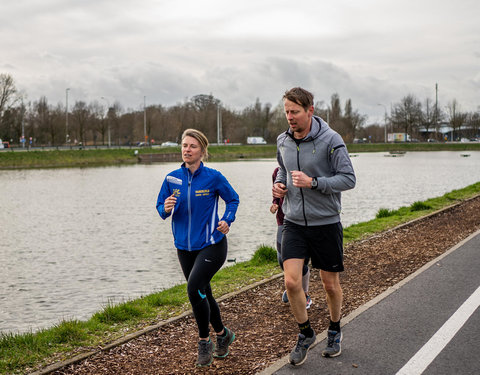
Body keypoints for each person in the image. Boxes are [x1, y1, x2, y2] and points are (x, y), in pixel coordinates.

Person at [272, 87, 356, 366]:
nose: (289, 117)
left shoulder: (331, 140)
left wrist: (314, 183)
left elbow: (348, 179)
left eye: (294, 111)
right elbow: (283, 169)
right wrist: (280, 186)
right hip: (294, 222)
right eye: (286, 111)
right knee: (291, 281)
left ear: (310, 110)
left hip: (326, 223)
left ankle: (334, 329)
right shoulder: (282, 141)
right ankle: (305, 333)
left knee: (330, 285)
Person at [156, 129, 240, 367]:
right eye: (184, 145)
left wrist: (227, 219)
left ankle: (205, 341)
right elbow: (160, 208)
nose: (187, 150)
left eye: (192, 146)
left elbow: (233, 199)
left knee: (194, 289)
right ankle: (223, 335)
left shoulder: (213, 177)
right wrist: (166, 207)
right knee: (205, 293)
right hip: (184, 247)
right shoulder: (172, 178)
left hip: (212, 244)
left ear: (202, 151)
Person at [270, 167, 312, 309]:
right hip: (283, 220)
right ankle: (293, 286)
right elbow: (276, 192)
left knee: (302, 260)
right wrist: (275, 203)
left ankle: (304, 294)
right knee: (282, 259)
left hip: (302, 221)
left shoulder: (303, 170)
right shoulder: (277, 172)